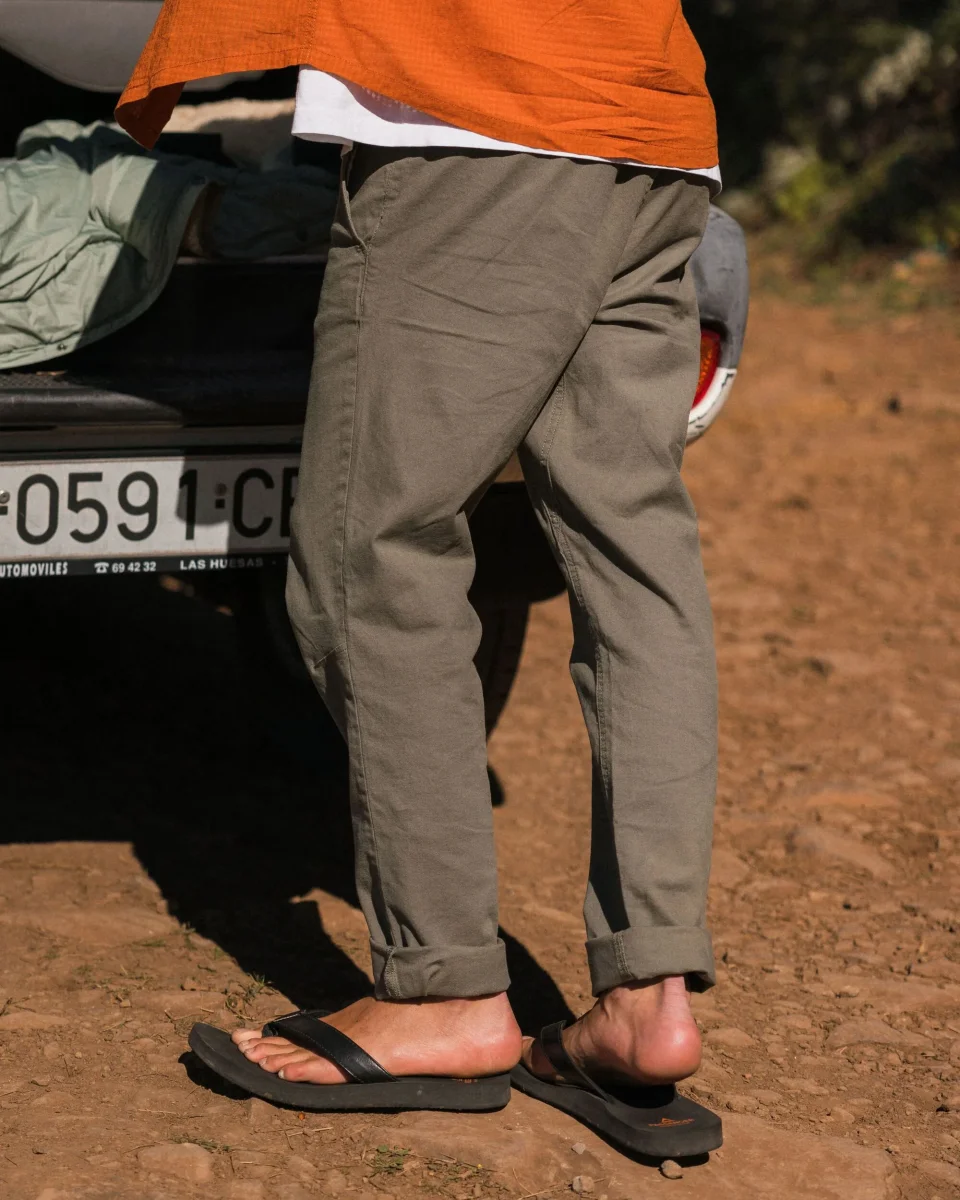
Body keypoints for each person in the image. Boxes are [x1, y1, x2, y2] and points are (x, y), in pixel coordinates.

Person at [118, 0, 723, 1157]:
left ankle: (441, 989)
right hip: (649, 118)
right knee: (636, 563)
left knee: (374, 551)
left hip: (473, 105)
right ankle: (651, 996)